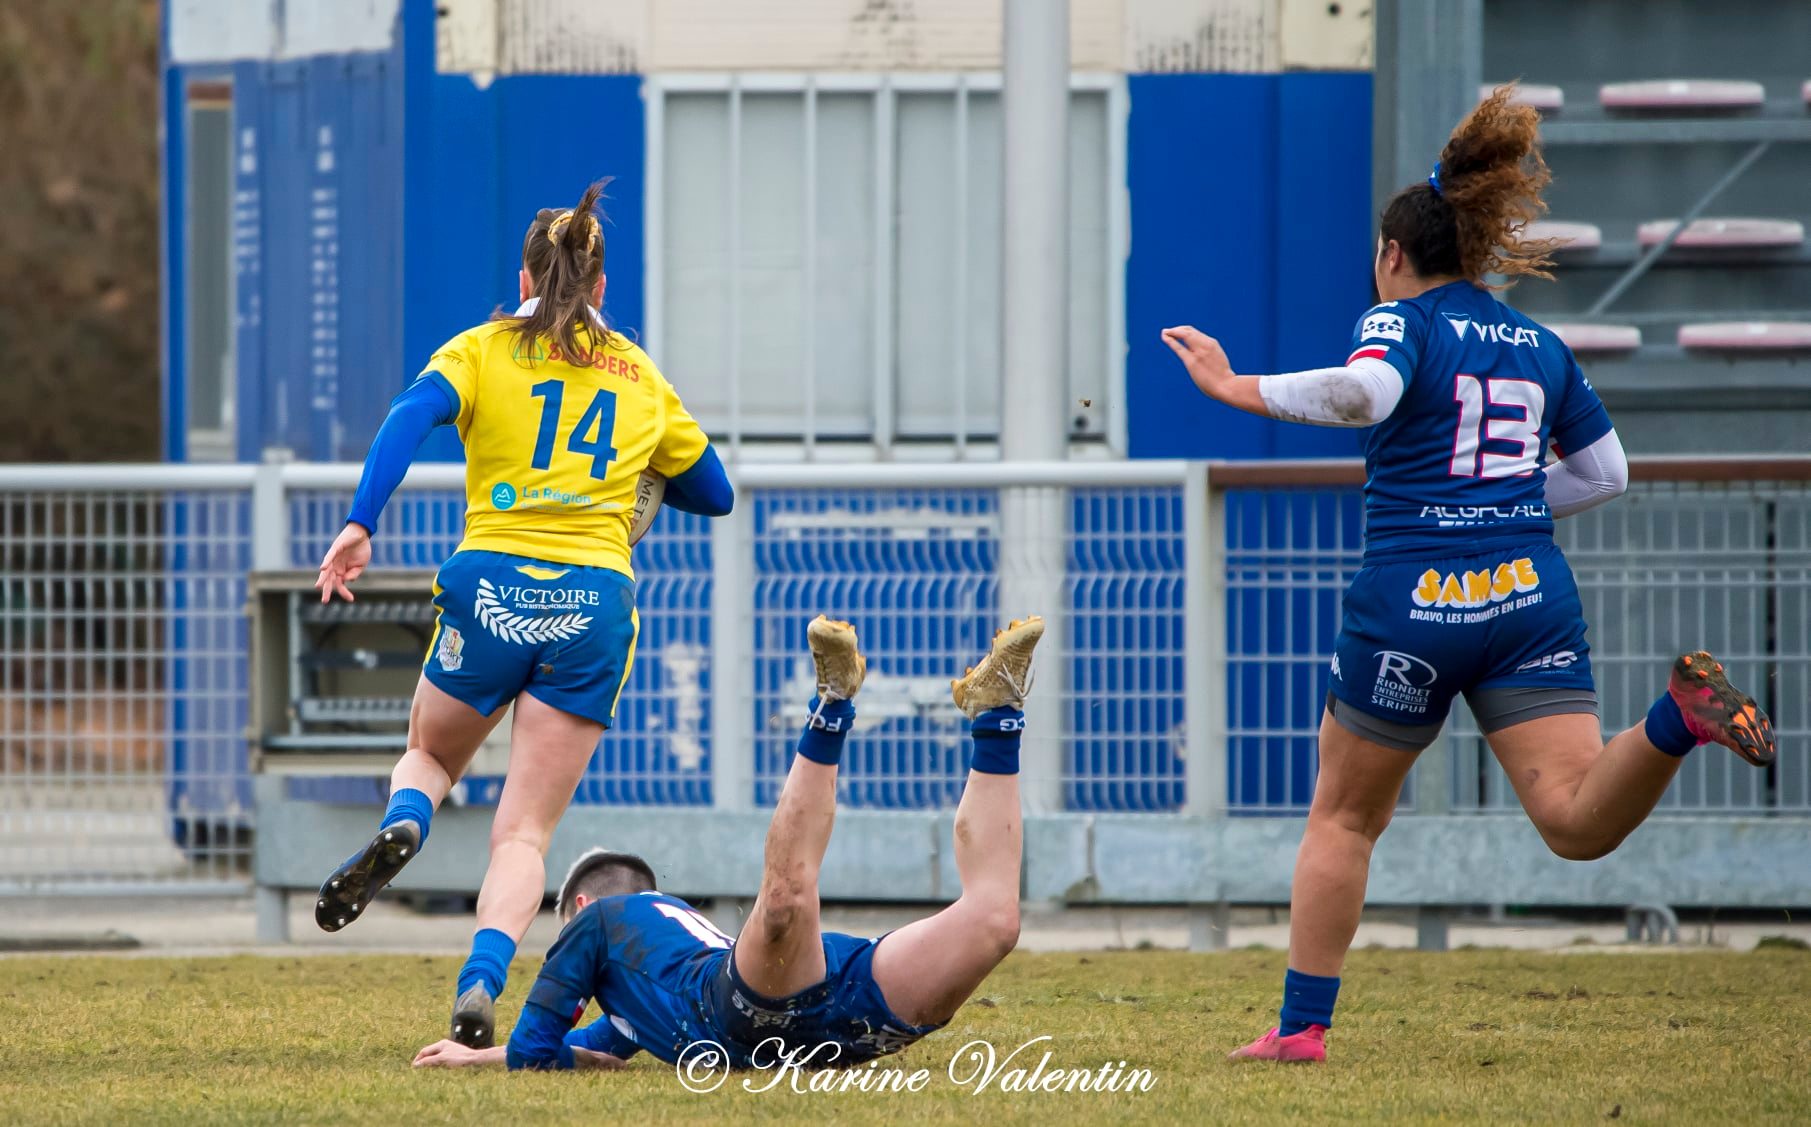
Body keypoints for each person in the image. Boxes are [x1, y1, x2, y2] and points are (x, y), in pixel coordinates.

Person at [1160, 86, 1776, 1063]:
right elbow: (1603, 473)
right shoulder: (1535, 342)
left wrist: (1234, 386)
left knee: (1344, 815)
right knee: (1572, 822)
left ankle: (1300, 1028)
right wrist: (1506, 510)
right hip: (1527, 594)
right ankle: (1673, 719)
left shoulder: (1398, 319)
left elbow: (1365, 393)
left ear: (1391, 253)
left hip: (1413, 599)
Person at [311, 181, 735, 1049]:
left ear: (523, 278)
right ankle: (478, 988)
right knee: (526, 830)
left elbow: (408, 416)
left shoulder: (481, 347)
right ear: (602, 286)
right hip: (594, 601)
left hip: (494, 584)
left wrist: (360, 522)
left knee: (430, 752)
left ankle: (408, 819)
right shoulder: (640, 373)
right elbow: (715, 492)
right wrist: (642, 474)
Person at [408, 614, 1040, 1072]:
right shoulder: (643, 984)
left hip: (750, 1008)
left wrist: (503, 1059)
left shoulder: (595, 924)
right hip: (831, 1004)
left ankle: (834, 703)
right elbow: (601, 1040)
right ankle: (997, 716)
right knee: (994, 921)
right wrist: (477, 1058)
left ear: (577, 908)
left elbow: (536, 1054)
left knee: (788, 895)